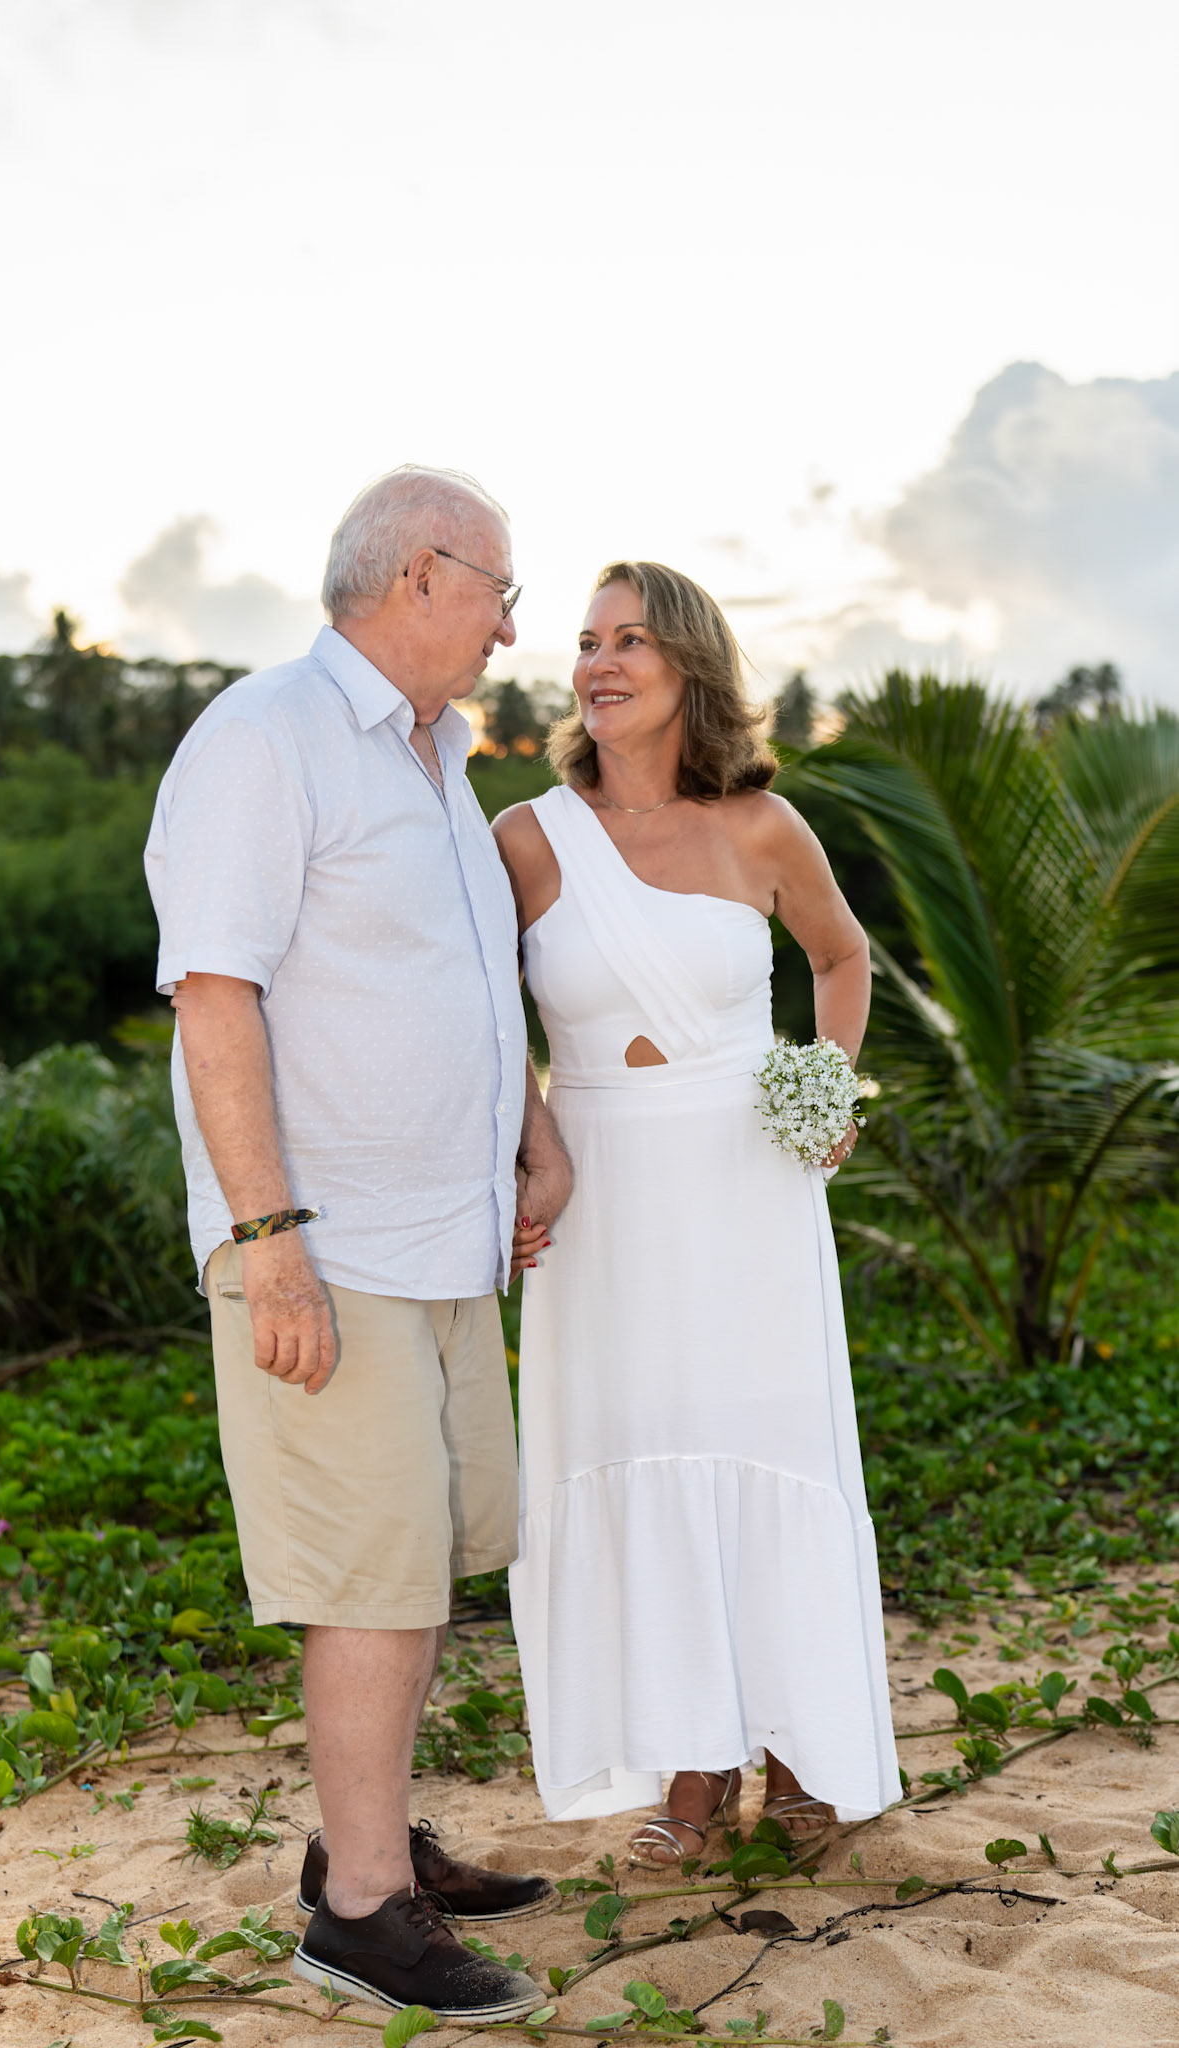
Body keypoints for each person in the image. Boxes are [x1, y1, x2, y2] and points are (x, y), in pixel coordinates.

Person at [144, 466, 572, 2020]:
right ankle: (363, 1915)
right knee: (369, 1576)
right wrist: (267, 1238)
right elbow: (214, 991)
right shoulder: (265, 741)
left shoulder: (435, 765)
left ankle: (365, 1841)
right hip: (330, 1245)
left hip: (442, 1240)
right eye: (502, 592)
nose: (512, 625)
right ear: (418, 578)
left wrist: (525, 1125)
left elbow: (468, 978)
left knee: (423, 1557)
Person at [497, 561, 900, 1862]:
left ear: (686, 668)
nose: (599, 663)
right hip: (602, 1187)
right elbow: (469, 1011)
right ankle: (686, 1768)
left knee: (759, 1438)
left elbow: (842, 958)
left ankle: (796, 1752)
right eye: (584, 641)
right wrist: (532, 1132)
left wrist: (824, 1082)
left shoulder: (761, 828)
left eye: (629, 641)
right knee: (638, 1440)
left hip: (747, 1183)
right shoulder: (525, 838)